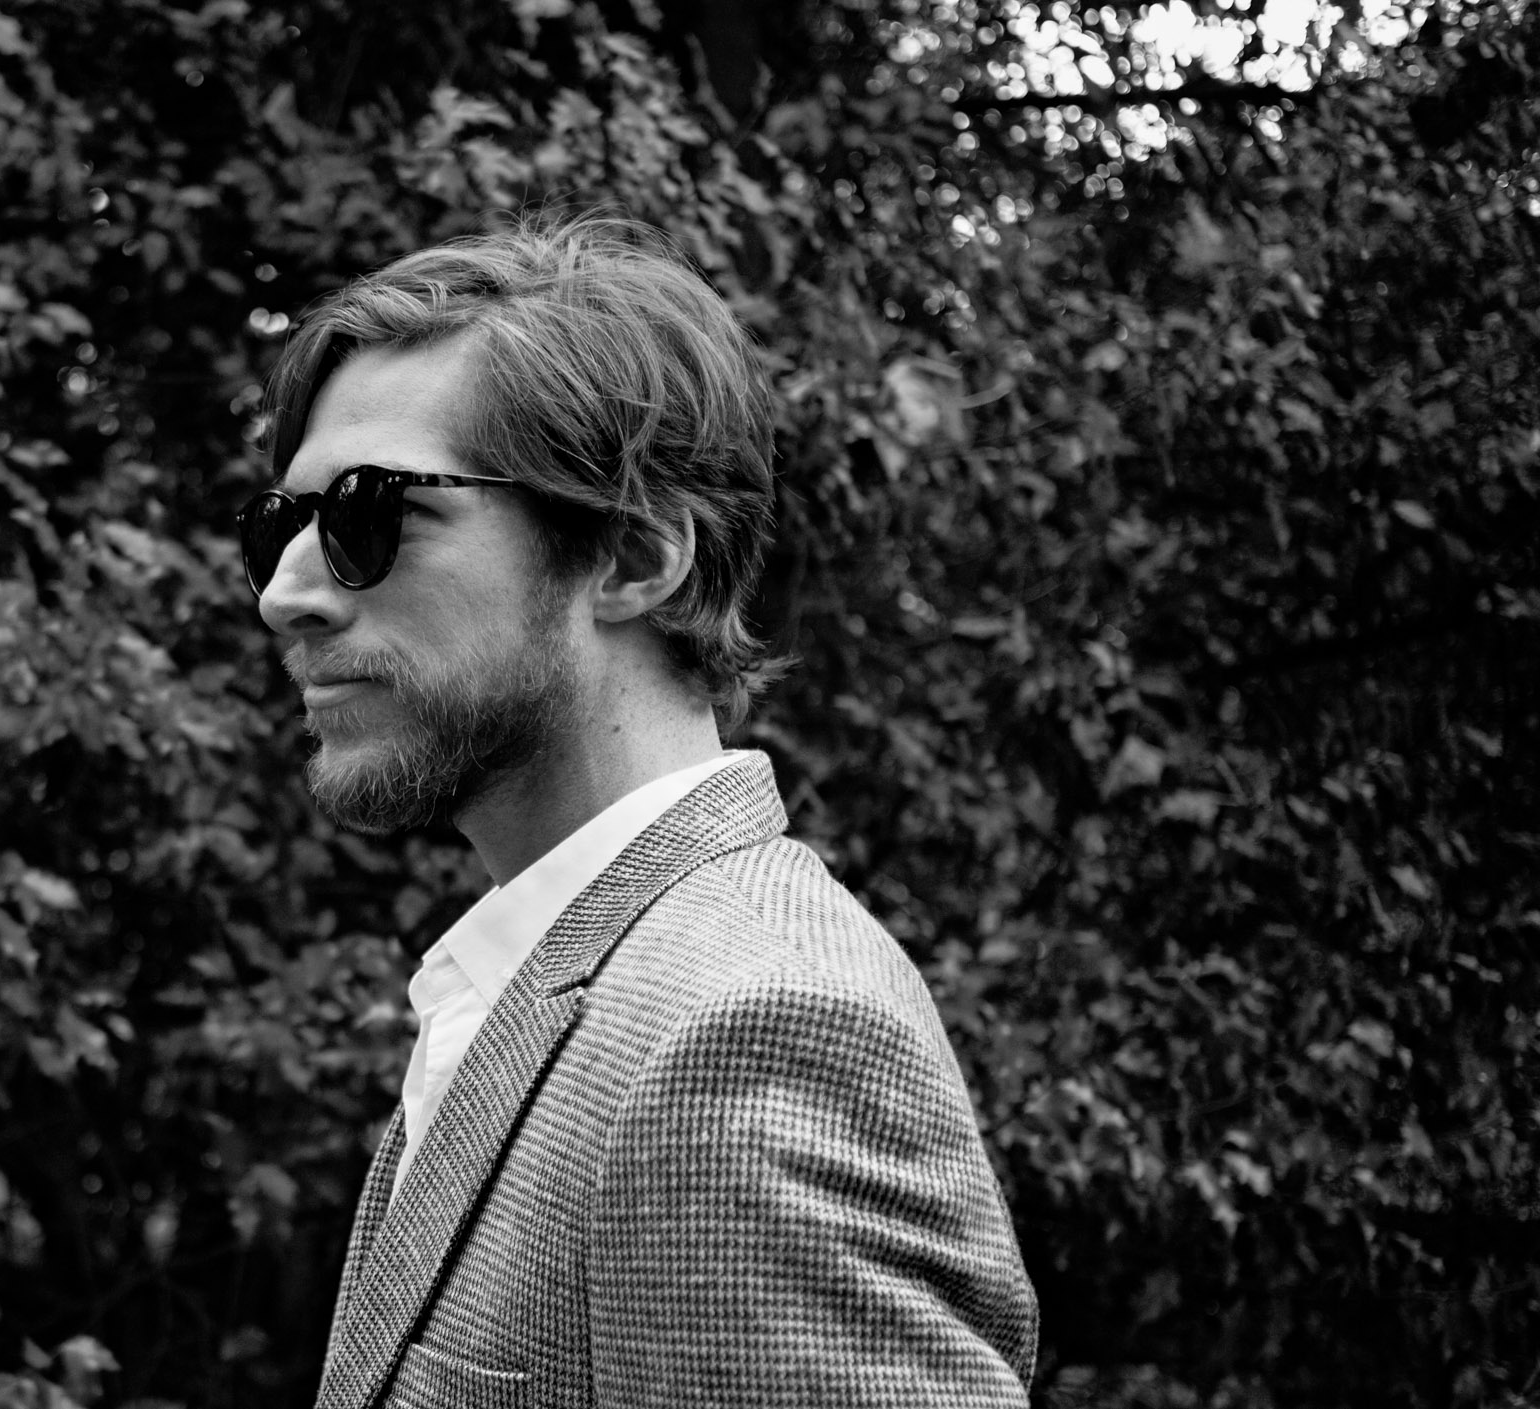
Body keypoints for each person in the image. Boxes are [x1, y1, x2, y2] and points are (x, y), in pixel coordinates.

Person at [241, 212, 1037, 1408]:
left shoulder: (745, 1030)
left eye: (369, 511)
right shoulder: (557, 980)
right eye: (280, 525)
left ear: (633, 558)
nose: (286, 593)